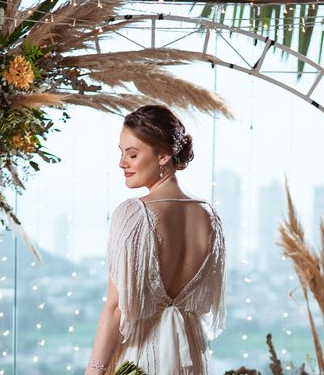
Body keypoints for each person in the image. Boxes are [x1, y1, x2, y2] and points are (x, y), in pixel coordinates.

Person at [85, 104, 226, 375]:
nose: (122, 163)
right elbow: (205, 303)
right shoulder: (209, 216)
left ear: (163, 155)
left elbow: (115, 308)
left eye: (133, 154)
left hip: (142, 359)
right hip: (190, 358)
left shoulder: (134, 213)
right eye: (122, 153)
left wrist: (94, 370)